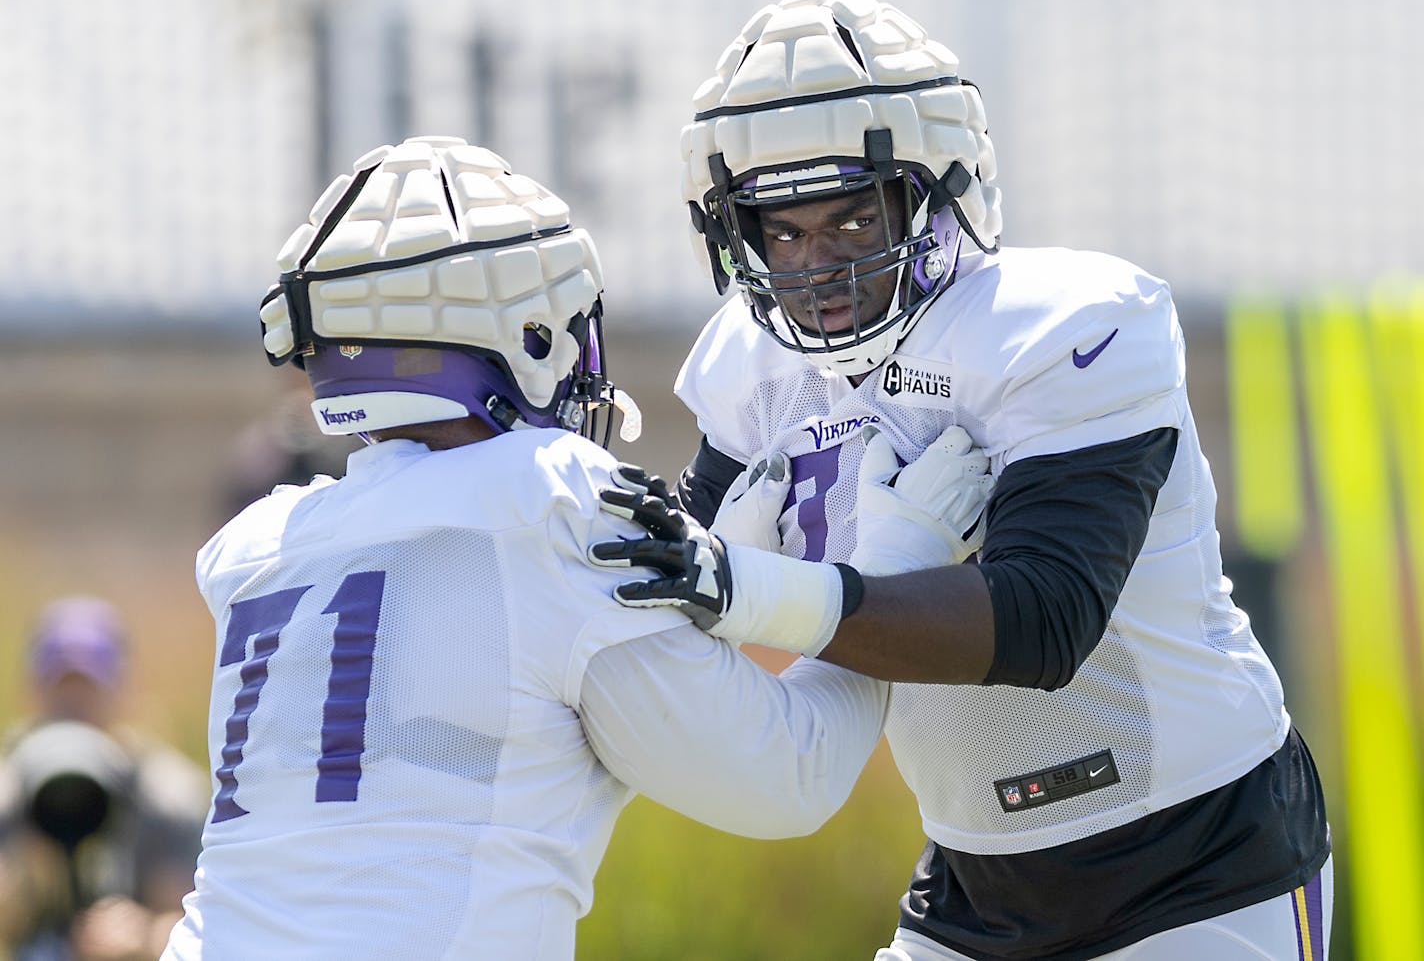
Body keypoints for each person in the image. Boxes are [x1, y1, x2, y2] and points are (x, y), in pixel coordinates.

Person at [589, 0, 1333, 959]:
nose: (817, 267)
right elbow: (686, 599)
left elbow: (1042, 618)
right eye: (783, 229)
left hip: (1192, 857)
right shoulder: (752, 365)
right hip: (973, 873)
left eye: (853, 220)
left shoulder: (1062, 327)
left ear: (937, 194)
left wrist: (752, 586)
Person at [159, 135, 993, 960]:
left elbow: (488, 691)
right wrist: (892, 569)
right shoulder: (548, 496)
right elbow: (789, 774)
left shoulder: (257, 545)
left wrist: (718, 590)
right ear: (530, 333)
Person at [0, 596, 208, 961]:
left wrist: (142, 935)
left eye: (88, 690)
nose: (74, 704)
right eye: (62, 689)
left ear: (122, 693)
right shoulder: (9, 789)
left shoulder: (165, 795)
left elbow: (205, 922)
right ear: (33, 692)